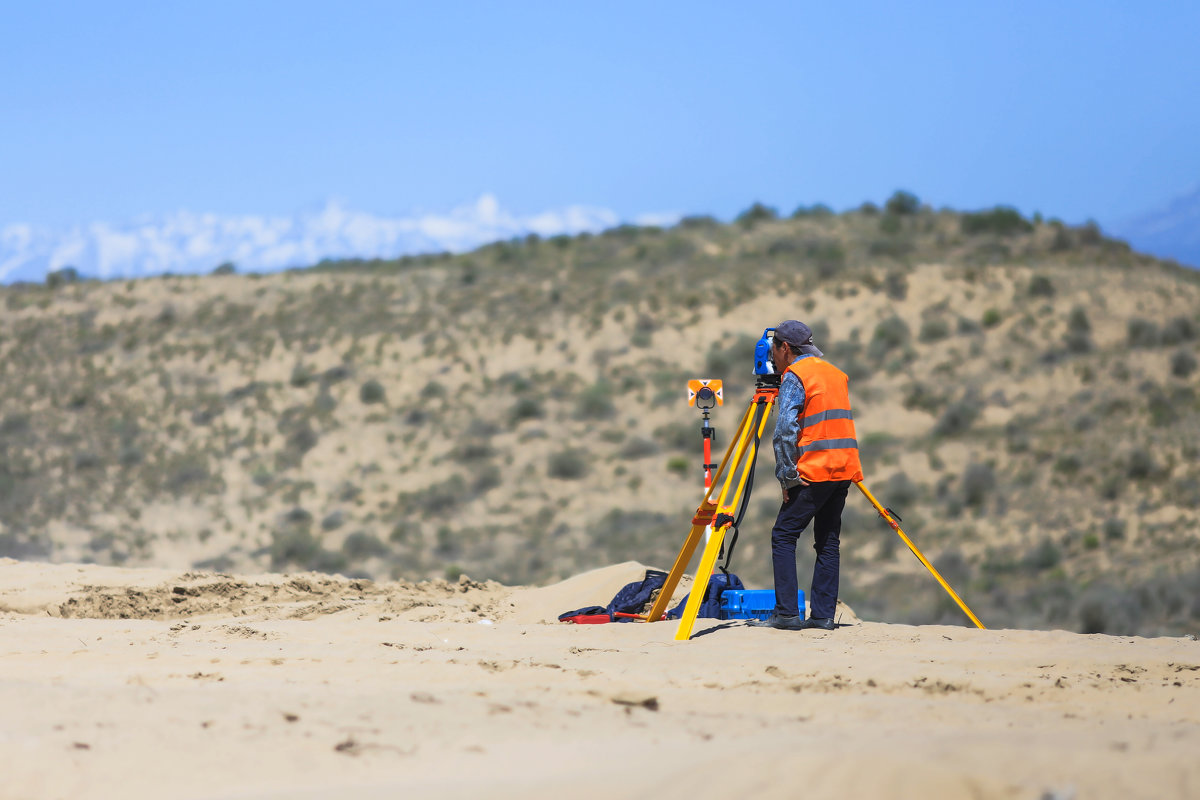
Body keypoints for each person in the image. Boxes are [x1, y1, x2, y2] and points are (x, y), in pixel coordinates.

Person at [750, 320, 863, 631]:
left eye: (775, 349)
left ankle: (786, 613)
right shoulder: (835, 373)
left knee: (783, 535)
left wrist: (787, 477)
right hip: (843, 467)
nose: (773, 355)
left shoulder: (795, 376)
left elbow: (785, 431)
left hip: (814, 469)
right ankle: (824, 615)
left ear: (785, 348)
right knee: (828, 540)